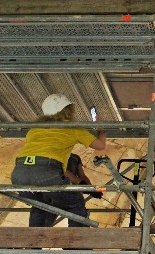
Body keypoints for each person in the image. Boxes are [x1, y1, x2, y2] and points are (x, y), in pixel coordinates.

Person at [11, 94, 106, 227]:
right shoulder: (73, 128)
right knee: (75, 204)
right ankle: (75, 246)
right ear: (67, 110)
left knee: (39, 206)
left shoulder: (34, 129)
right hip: (48, 171)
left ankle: (33, 246)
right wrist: (101, 130)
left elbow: (41, 158)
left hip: (19, 172)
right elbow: (101, 145)